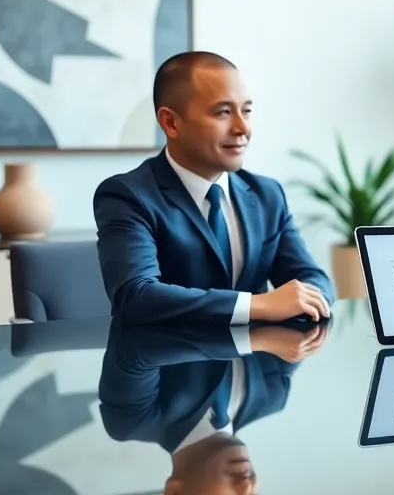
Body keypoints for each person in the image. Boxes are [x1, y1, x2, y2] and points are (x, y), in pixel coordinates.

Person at [95, 51, 333, 326]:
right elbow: (136, 296)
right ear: (171, 123)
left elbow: (311, 277)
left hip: (255, 361)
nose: (242, 128)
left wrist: (312, 299)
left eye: (246, 111)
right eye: (223, 112)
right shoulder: (128, 195)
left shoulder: (267, 194)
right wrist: (257, 305)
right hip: (167, 364)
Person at [98, 319, 329, 495]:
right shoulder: (271, 397)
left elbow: (136, 347)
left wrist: (252, 340)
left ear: (175, 494)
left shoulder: (132, 420)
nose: (246, 486)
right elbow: (310, 320)